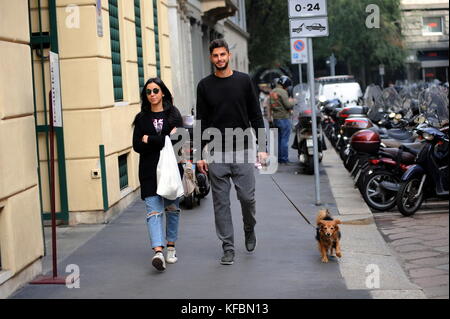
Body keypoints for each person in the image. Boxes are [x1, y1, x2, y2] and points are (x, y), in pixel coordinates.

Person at [196, 39, 268, 265]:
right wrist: (199, 154)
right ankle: (227, 247)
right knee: (220, 203)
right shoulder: (204, 86)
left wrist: (263, 148)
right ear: (211, 58)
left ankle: (249, 227)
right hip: (217, 152)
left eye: (223, 54)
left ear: (228, 55)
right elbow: (202, 120)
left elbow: (256, 115)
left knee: (247, 198)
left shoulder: (244, 81)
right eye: (215, 55)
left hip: (244, 149)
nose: (219, 59)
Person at [132, 77, 183, 271]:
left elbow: (179, 141)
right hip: (149, 171)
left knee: (172, 210)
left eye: (155, 90)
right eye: (148, 92)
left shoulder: (174, 115)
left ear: (163, 92)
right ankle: (158, 252)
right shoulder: (141, 118)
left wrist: (150, 139)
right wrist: (163, 139)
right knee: (153, 212)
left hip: (171, 170)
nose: (152, 94)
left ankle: (170, 247)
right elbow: (137, 145)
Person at [268, 76, 295, 164]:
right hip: (283, 118)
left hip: (276, 118)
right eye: (287, 86)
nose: (287, 88)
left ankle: (280, 158)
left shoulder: (272, 92)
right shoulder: (283, 92)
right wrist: (294, 101)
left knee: (280, 139)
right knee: (285, 140)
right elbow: (287, 105)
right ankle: (284, 159)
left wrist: (269, 119)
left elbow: (269, 106)